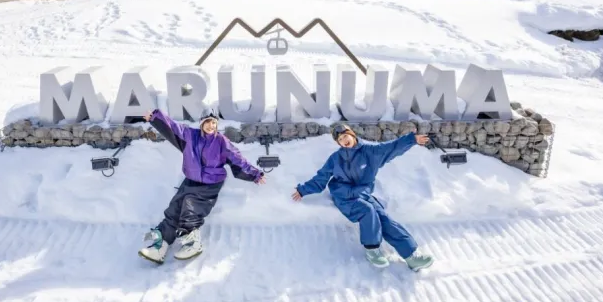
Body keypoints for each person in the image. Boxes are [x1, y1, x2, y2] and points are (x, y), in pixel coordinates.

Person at [291, 124, 434, 271]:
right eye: (340, 139)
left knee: (384, 218)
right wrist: (303, 190)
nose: (344, 140)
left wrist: (411, 140)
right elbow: (321, 178)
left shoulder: (370, 152)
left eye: (345, 136)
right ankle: (372, 249)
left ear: (352, 135)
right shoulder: (336, 158)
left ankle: (411, 256)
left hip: (362, 194)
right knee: (367, 210)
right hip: (343, 196)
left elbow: (391, 147)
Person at [138, 109, 266, 264]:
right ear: (202, 124)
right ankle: (160, 247)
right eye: (207, 122)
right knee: (174, 208)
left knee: (191, 207)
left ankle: (193, 243)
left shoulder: (221, 141)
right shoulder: (190, 136)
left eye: (214, 122)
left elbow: (237, 158)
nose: (211, 126)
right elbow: (172, 126)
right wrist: (155, 117)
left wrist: (254, 174)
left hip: (210, 184)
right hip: (191, 180)